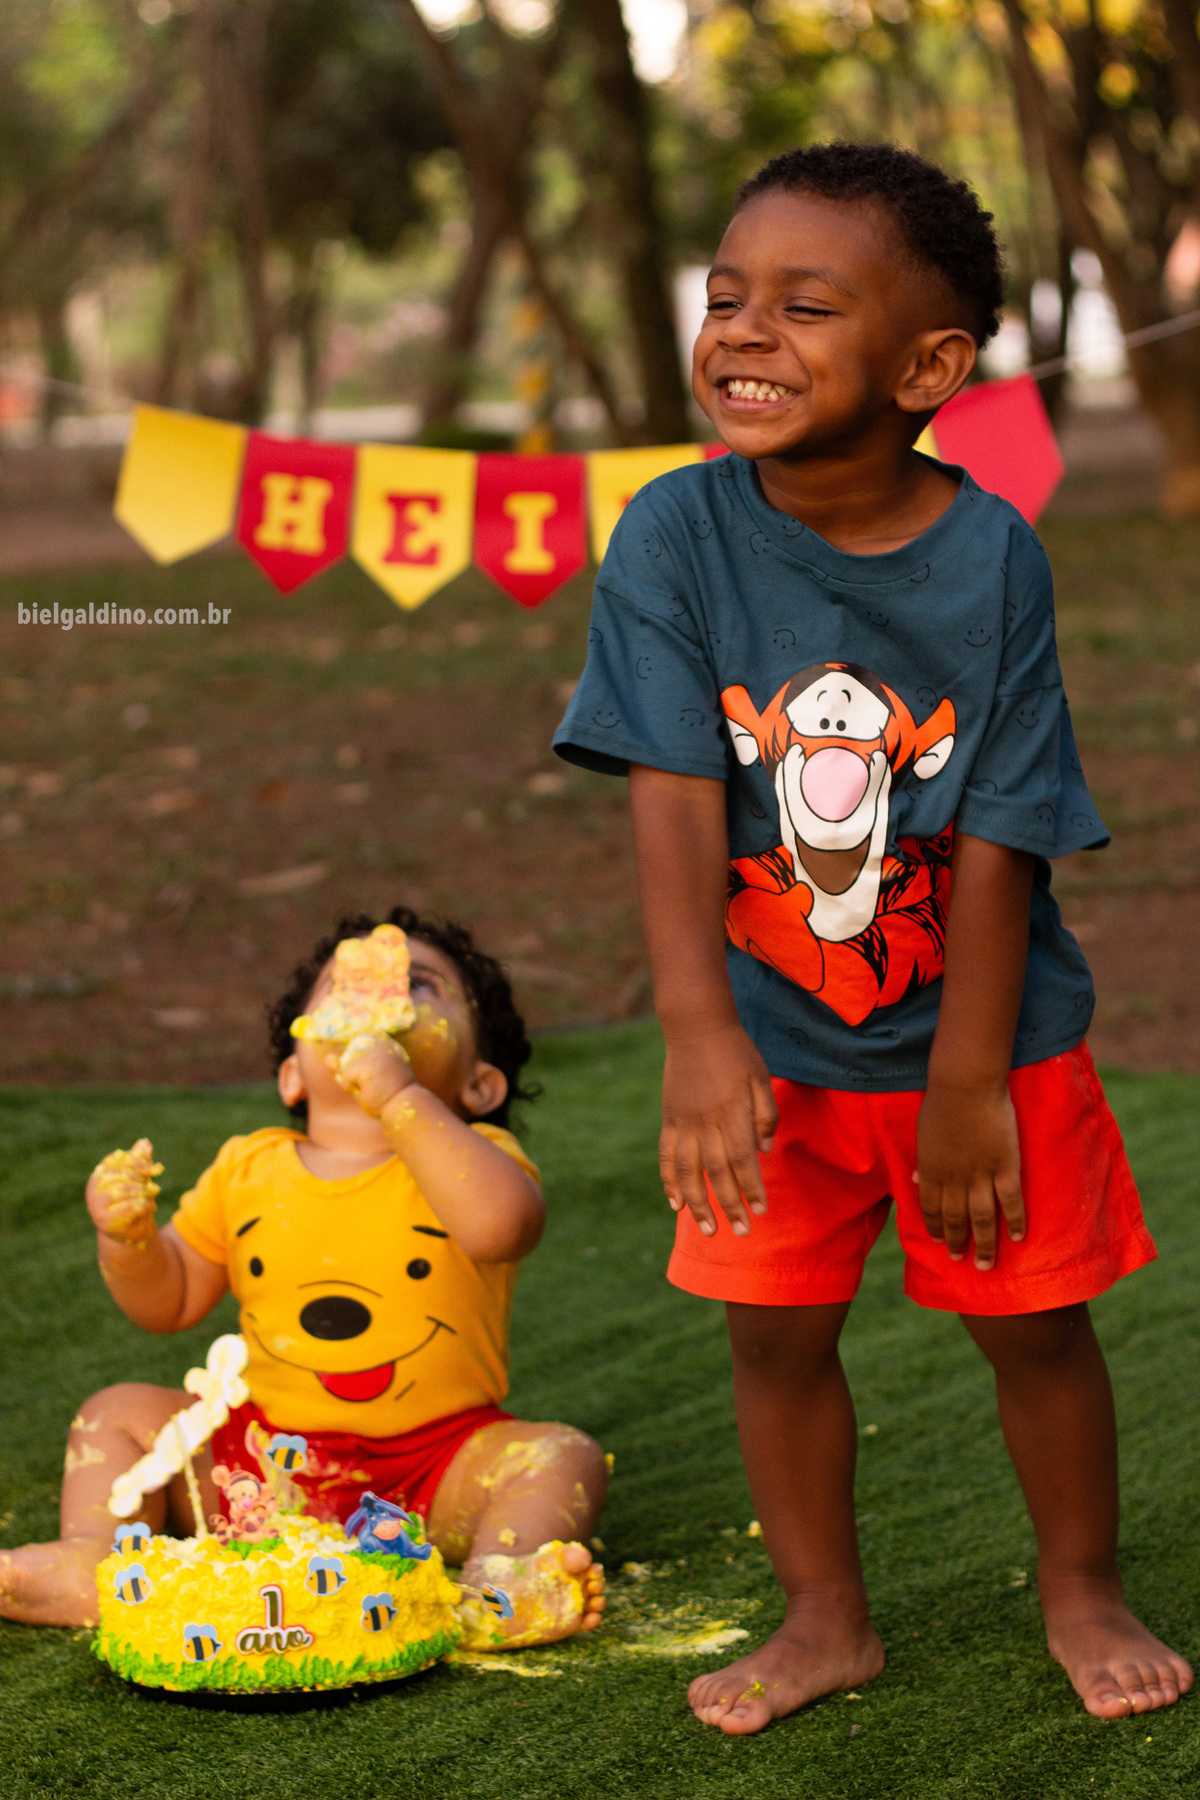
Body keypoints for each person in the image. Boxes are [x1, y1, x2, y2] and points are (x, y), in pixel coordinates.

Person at [554, 141, 1189, 1732]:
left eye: (806, 304)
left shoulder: (993, 555)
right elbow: (673, 788)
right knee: (774, 1338)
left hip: (989, 1039)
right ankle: (825, 1619)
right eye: (727, 296)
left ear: (927, 368)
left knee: (1035, 1329)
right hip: (769, 1046)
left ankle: (1082, 1586)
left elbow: (1007, 823)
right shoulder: (671, 534)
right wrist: (699, 1035)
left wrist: (968, 1079)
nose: (745, 331)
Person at [0, 907, 606, 1648]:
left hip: (433, 1470)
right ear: (293, 1073)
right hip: (257, 1471)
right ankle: (92, 1560)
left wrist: (401, 1099)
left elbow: (502, 1227)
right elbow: (172, 1299)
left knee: (562, 1455)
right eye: (343, 987)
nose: (385, 997)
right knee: (117, 1411)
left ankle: (498, 1587)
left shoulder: (476, 1159)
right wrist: (127, 1243)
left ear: (481, 1085)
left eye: (421, 986)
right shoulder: (247, 1167)